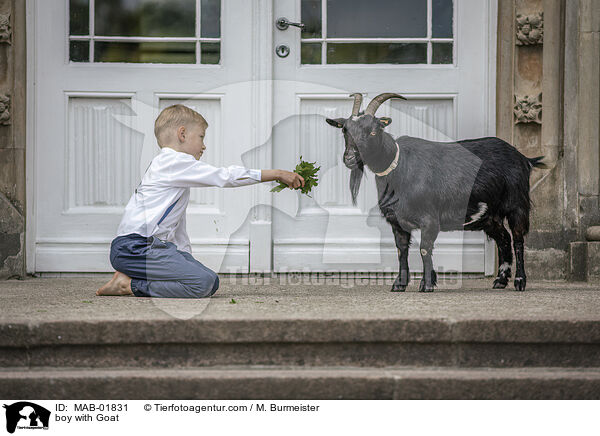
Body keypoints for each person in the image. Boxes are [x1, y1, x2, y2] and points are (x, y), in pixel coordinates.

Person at [96, 104, 304, 298]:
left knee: (208, 282)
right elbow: (226, 176)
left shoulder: (170, 167)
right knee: (203, 282)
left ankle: (128, 279)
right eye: (201, 137)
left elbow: (177, 227)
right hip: (136, 248)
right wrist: (276, 173)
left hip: (146, 248)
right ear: (183, 134)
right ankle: (129, 285)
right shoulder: (173, 161)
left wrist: (186, 259)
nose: (203, 146)